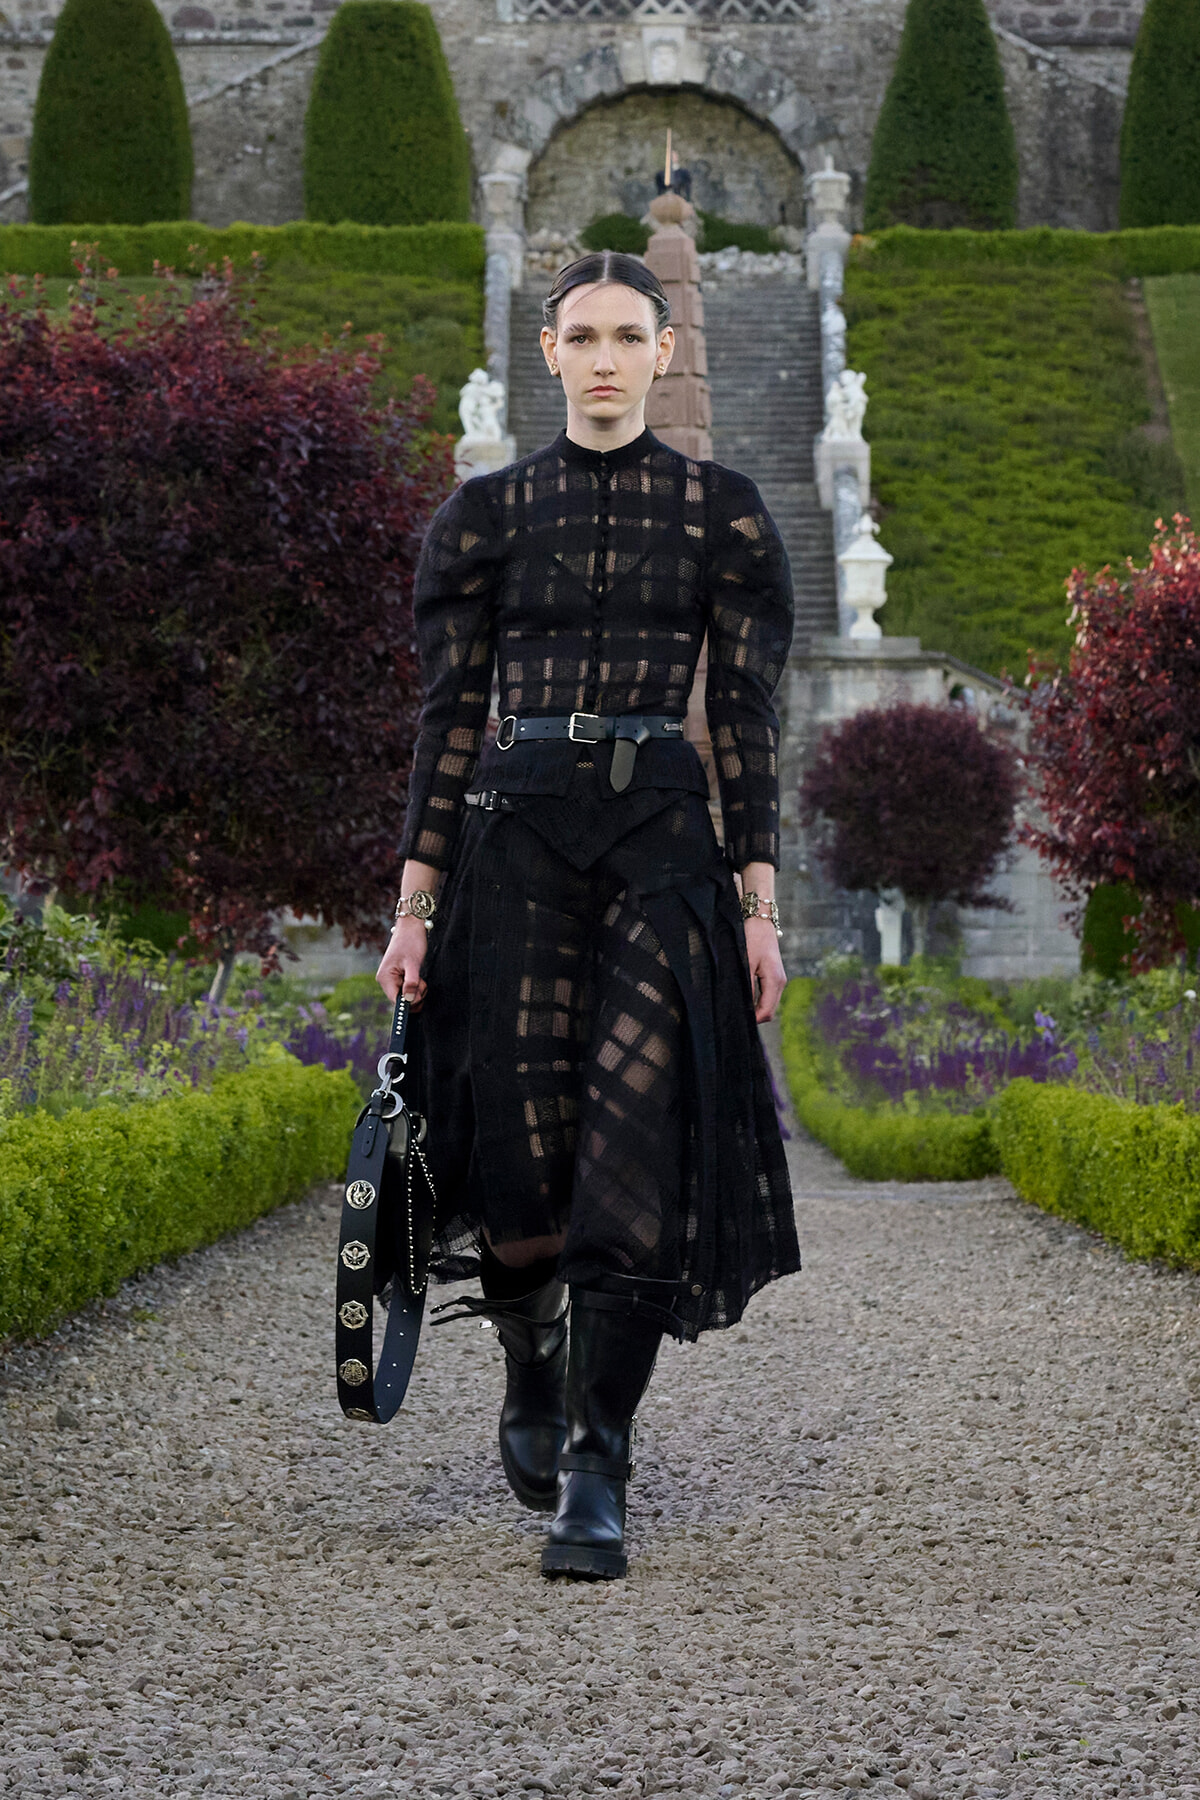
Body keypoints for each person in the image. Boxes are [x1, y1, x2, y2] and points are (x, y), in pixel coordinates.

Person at [376, 250, 800, 1580]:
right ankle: (530, 1356)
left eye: (628, 336)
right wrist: (412, 905)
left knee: (631, 1146)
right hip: (514, 841)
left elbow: (744, 720)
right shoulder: (485, 517)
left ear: (663, 353)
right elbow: (448, 721)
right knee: (520, 1148)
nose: (606, 358)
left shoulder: (724, 514)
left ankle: (598, 1464)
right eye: (583, 336)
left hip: (662, 846)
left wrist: (760, 902)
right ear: (549, 351)